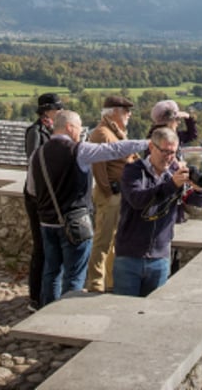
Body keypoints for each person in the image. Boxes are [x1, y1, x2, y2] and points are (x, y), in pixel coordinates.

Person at [29, 109, 148, 306]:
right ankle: (67, 314)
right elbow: (113, 150)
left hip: (47, 223)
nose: (80, 132)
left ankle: (45, 313)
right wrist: (146, 143)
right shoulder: (78, 150)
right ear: (69, 127)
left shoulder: (37, 154)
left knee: (51, 272)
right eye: (78, 127)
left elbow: (32, 190)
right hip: (75, 223)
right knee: (74, 275)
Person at [113, 126, 202, 298]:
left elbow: (195, 205)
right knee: (123, 313)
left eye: (173, 152)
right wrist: (171, 185)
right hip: (129, 256)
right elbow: (137, 200)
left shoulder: (174, 173)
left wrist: (200, 190)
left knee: (152, 314)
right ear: (151, 147)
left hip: (160, 258)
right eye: (164, 151)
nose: (169, 157)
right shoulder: (133, 171)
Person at [86, 95, 137, 292]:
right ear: (114, 112)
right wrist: (109, 191)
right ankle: (96, 283)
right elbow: (99, 169)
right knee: (102, 241)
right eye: (125, 111)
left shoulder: (115, 132)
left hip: (118, 193)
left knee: (114, 243)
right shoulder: (102, 134)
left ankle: (111, 281)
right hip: (110, 194)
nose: (129, 115)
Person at [23, 92, 62, 311]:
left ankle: (46, 293)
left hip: (49, 196)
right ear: (47, 111)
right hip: (37, 197)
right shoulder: (35, 132)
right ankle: (36, 297)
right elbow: (35, 162)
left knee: (49, 248)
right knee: (40, 247)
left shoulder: (49, 131)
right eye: (57, 109)